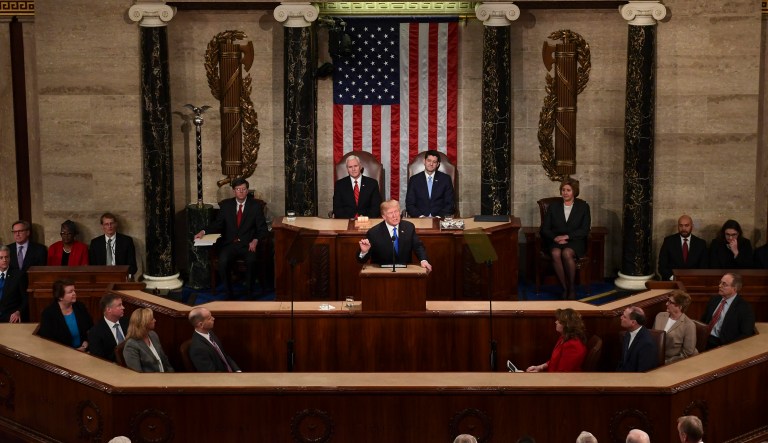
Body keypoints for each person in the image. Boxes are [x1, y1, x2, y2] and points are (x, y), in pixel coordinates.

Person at [194, 177, 269, 297]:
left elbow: (263, 229)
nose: (241, 192)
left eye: (244, 189)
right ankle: (229, 292)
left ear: (247, 191)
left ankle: (249, 292)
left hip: (248, 244)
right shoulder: (226, 206)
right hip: (230, 244)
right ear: (234, 191)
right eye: (238, 189)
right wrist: (203, 232)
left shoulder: (255, 206)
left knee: (251, 260)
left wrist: (255, 240)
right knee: (222, 261)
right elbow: (217, 224)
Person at [540, 177, 591, 299]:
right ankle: (564, 288)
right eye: (563, 190)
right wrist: (556, 238)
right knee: (556, 253)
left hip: (575, 240)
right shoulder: (553, 207)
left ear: (574, 191)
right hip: (556, 240)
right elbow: (544, 229)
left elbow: (585, 229)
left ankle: (572, 288)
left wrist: (567, 236)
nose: (565, 192)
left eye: (568, 190)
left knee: (567, 253)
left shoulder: (583, 206)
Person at [356, 200, 432, 272]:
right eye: (390, 213)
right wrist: (364, 252)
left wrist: (423, 260)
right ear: (384, 216)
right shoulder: (374, 232)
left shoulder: (409, 227)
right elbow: (361, 260)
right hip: (382, 274)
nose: (394, 215)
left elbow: (418, 246)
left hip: (406, 272)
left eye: (396, 211)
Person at [701, 272, 755, 349]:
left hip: (724, 344)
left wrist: (727, 347)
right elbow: (703, 320)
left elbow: (746, 334)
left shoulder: (744, 308)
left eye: (724, 284)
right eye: (720, 282)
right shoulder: (714, 299)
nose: (719, 286)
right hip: (705, 339)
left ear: (734, 288)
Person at [37, 279, 93, 351]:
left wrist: (86, 342)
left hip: (84, 351)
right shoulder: (48, 314)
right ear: (60, 297)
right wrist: (73, 351)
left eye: (74, 290)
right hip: (61, 355)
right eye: (70, 292)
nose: (74, 293)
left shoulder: (80, 307)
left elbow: (91, 328)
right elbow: (48, 342)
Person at [526, 308, 587, 372]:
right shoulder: (564, 337)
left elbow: (563, 373)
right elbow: (555, 361)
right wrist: (540, 367)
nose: (556, 322)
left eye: (559, 321)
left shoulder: (573, 345)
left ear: (567, 325)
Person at [188, 307, 241, 372]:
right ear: (201, 325)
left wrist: (237, 370)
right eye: (209, 318)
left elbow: (224, 356)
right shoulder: (198, 349)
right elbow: (212, 374)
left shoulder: (210, 333)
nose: (213, 318)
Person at [405, 149, 455, 218]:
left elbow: (450, 204)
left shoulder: (445, 179)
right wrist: (421, 216)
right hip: (419, 218)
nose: (431, 164)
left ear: (437, 164)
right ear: (424, 161)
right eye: (429, 161)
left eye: (434, 162)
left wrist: (438, 217)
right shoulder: (414, 180)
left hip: (440, 219)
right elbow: (410, 204)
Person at [652, 290, 698, 364]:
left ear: (679, 307)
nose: (666, 303)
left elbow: (687, 352)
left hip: (672, 362)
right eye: (668, 300)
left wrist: (666, 363)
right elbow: (652, 337)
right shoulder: (660, 316)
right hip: (654, 357)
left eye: (670, 302)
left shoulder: (689, 325)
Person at [657, 215, 708, 280]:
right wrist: (673, 278)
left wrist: (694, 279)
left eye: (686, 225)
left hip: (694, 281)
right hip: (672, 281)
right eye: (681, 225)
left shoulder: (701, 244)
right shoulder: (668, 241)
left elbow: (703, 267)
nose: (683, 228)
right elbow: (662, 266)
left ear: (692, 226)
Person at [122, 308, 174, 373]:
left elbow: (164, 360)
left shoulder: (153, 335)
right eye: (152, 319)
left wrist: (172, 375)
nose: (155, 320)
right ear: (144, 323)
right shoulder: (131, 346)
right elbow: (137, 375)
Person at [332, 154, 382, 219]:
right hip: (346, 221)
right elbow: (337, 208)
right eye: (350, 167)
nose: (353, 169)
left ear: (360, 166)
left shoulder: (372, 183)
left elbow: (376, 207)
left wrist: (364, 218)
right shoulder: (339, 185)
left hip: (367, 220)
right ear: (347, 169)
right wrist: (350, 218)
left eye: (356, 166)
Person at [89, 213, 138, 277]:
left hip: (122, 277)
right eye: (106, 224)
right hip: (101, 277)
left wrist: (126, 276)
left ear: (116, 224)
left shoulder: (127, 241)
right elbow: (92, 266)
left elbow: (132, 266)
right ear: (102, 226)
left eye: (111, 223)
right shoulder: (95, 243)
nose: (109, 226)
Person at [87, 293, 128, 362]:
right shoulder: (95, 333)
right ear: (109, 309)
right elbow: (99, 360)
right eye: (119, 305)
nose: (123, 307)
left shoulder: (128, 322)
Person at [617, 306, 659, 372]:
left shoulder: (647, 344)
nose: (621, 317)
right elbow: (623, 362)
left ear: (633, 322)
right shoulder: (628, 333)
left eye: (624, 317)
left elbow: (643, 373)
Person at [0, 245, 26, 323]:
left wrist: (18, 312)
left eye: (6, 257)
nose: (4, 260)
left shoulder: (18, 275)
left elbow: (25, 299)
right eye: (1, 258)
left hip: (10, 316)